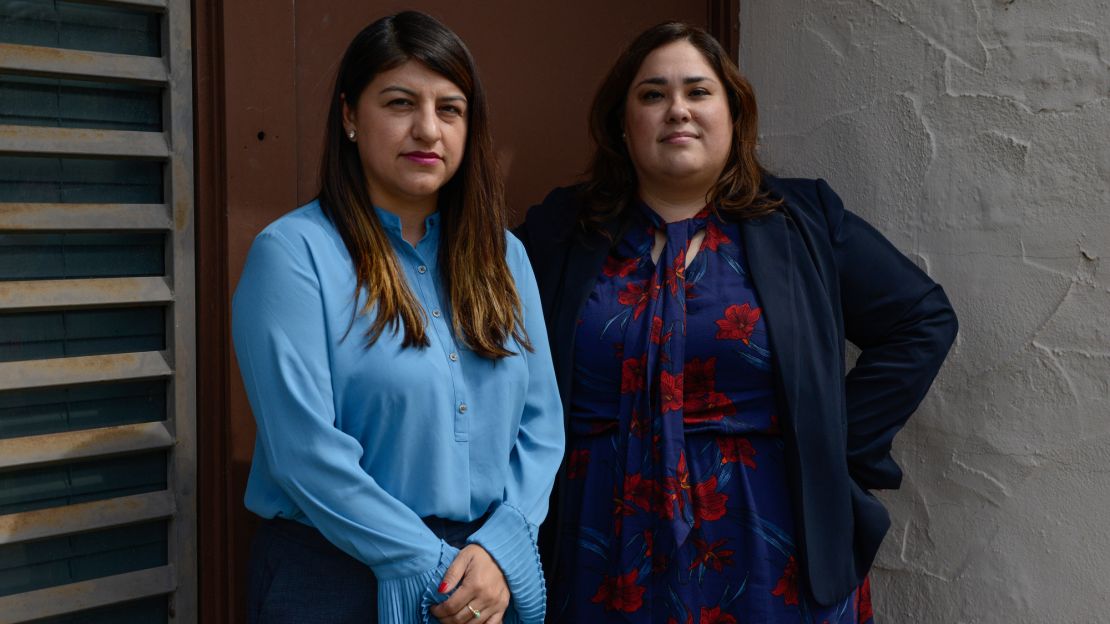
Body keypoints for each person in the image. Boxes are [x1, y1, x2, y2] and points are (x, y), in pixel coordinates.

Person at [514, 22, 958, 623]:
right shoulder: (561, 232)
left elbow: (920, 320)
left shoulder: (802, 221)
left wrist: (832, 445)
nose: (678, 110)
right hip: (600, 536)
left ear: (734, 115)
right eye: (652, 94)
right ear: (623, 122)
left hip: (769, 541)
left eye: (699, 92)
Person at [232, 11, 563, 624]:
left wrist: (501, 546)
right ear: (351, 116)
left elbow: (542, 426)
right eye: (399, 102)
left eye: (450, 109)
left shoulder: (503, 256)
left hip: (482, 574)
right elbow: (304, 451)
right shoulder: (294, 255)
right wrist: (431, 564)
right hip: (333, 577)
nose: (427, 129)